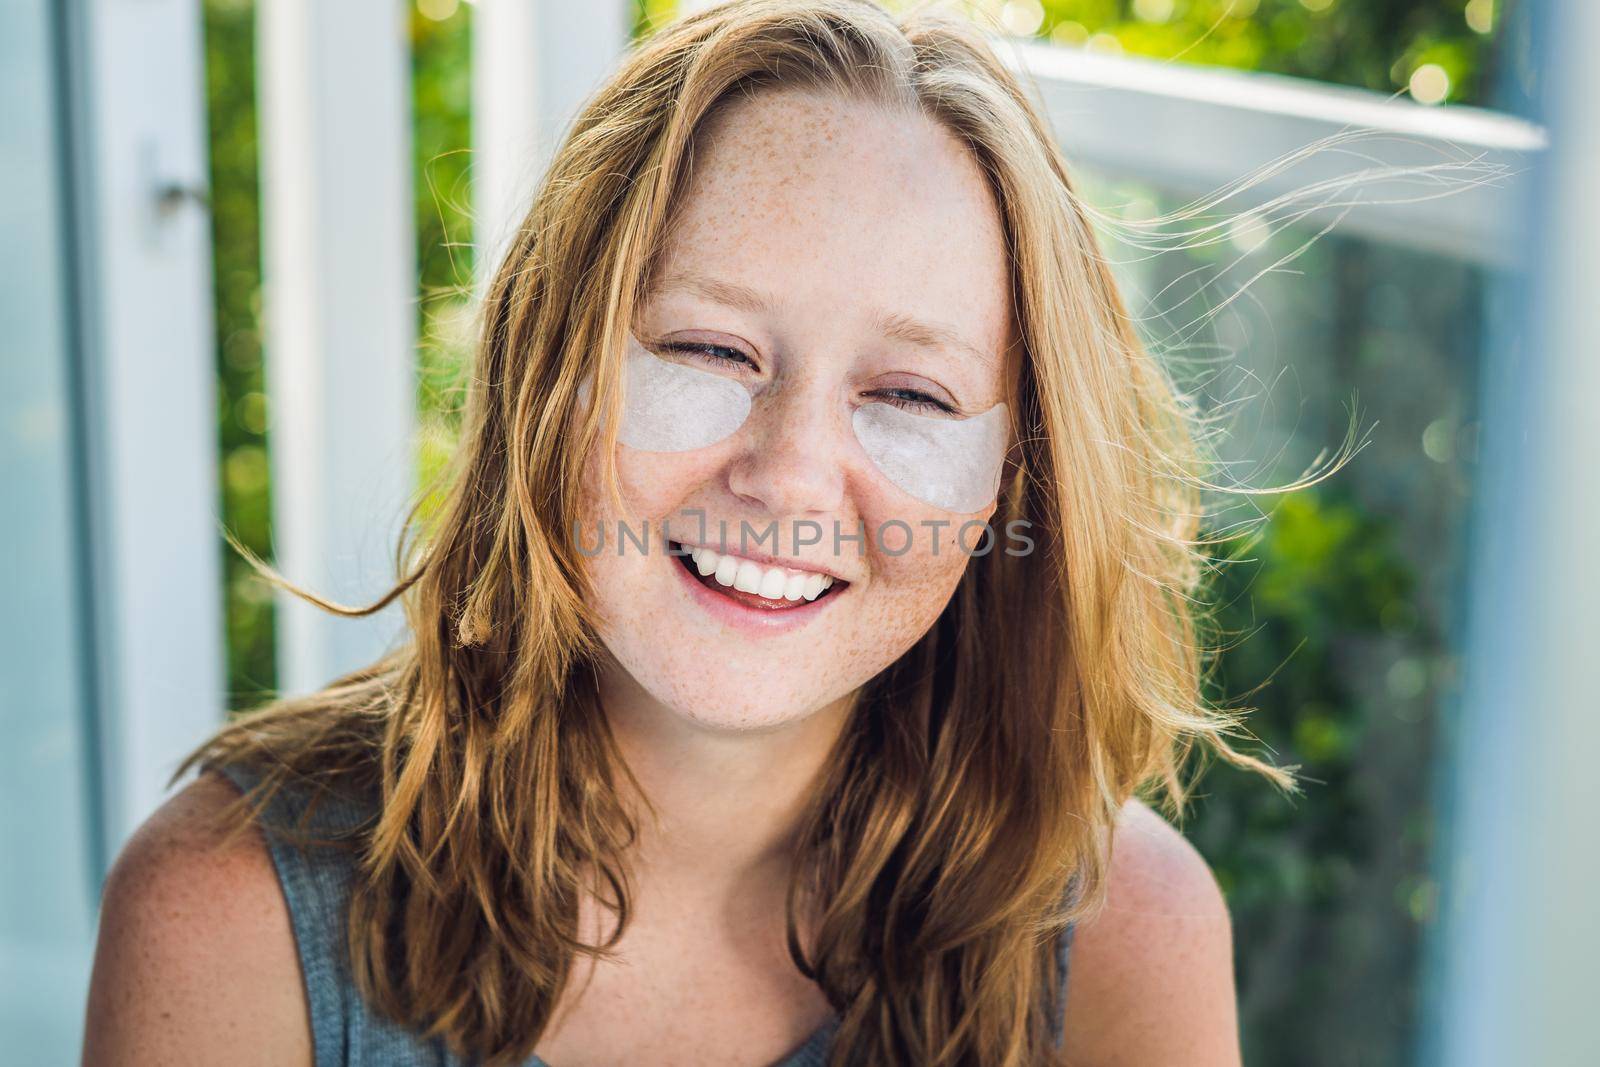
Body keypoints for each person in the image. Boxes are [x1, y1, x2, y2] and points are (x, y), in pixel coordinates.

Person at [83, 1, 1313, 1063]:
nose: (786, 477)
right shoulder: (229, 910)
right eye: (708, 350)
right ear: (544, 371)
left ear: (1010, 476)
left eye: (909, 395)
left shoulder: (1121, 939)